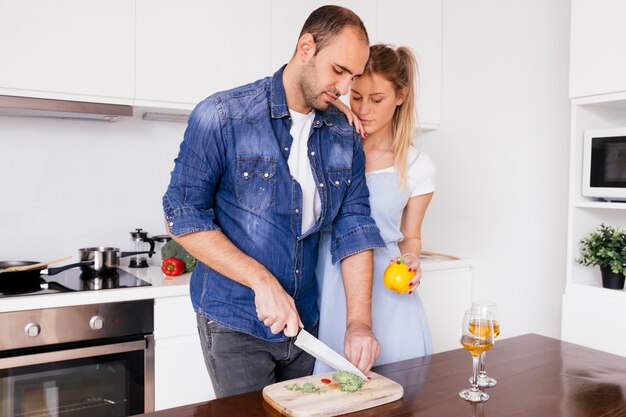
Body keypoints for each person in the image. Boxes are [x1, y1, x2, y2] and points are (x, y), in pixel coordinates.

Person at [162, 5, 386, 398]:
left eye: (353, 76)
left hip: (304, 325)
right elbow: (181, 217)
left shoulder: (343, 135)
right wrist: (261, 280)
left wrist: (359, 323)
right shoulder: (222, 115)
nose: (345, 88)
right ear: (305, 47)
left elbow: (354, 227)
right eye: (338, 71)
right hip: (234, 321)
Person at [314, 44, 435, 373]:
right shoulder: (327, 146)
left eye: (377, 99)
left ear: (400, 96)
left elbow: (410, 236)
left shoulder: (416, 165)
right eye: (356, 96)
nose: (364, 109)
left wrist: (412, 260)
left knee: (396, 395)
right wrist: (338, 105)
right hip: (325, 283)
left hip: (387, 293)